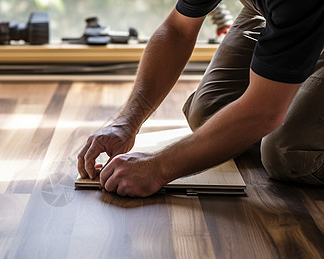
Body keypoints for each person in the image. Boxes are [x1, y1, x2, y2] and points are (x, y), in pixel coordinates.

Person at [77, 0, 324, 197]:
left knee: (287, 153)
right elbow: (178, 30)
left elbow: (265, 112)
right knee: (208, 113)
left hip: (300, 9)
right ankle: (297, 67)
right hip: (275, 12)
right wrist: (126, 123)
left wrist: (157, 168)